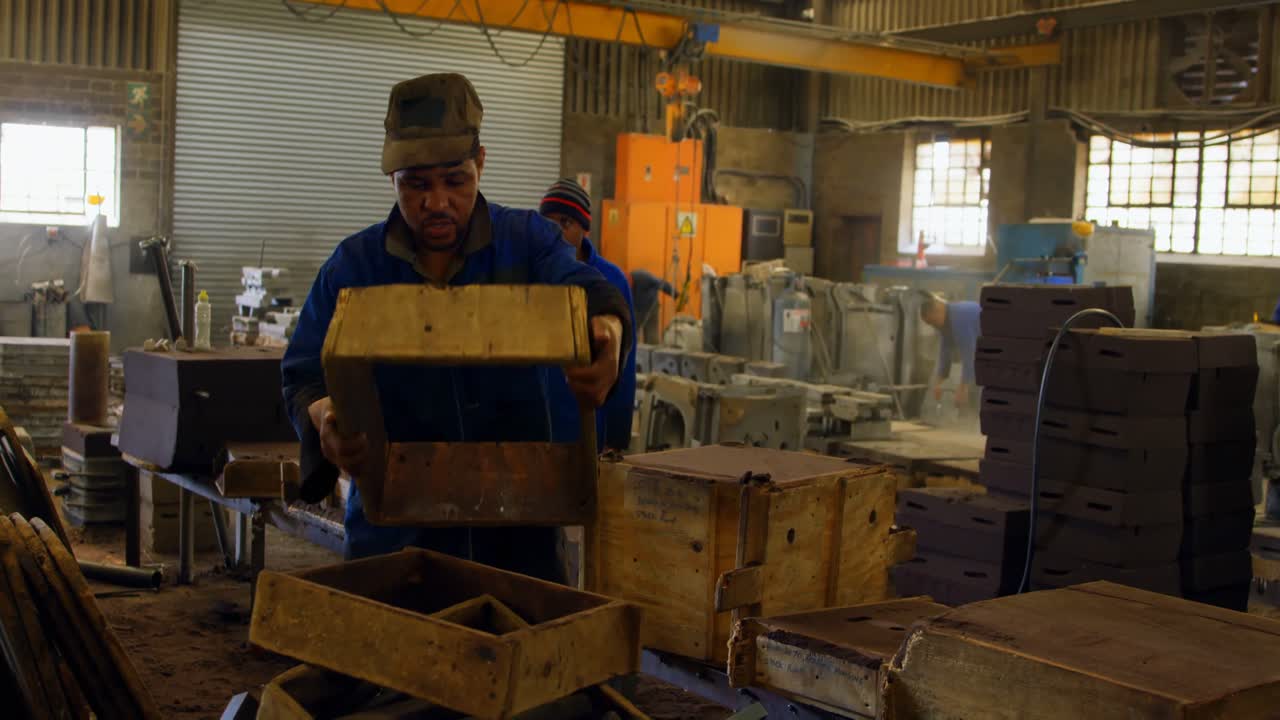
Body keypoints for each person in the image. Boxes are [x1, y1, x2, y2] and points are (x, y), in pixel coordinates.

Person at [281, 73, 632, 580]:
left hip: (519, 541)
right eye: (417, 185)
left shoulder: (526, 243)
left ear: (481, 163)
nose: (437, 203)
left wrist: (609, 334)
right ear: (393, 179)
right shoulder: (355, 266)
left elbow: (589, 288)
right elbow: (303, 371)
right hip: (393, 539)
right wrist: (326, 418)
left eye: (455, 181)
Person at [539, 179, 636, 452]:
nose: (554, 232)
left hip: (587, 420)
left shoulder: (611, 280)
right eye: (547, 222)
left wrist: (617, 438)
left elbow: (625, 366)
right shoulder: (533, 273)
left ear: (585, 229)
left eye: (565, 223)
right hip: (539, 424)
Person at [920, 292, 981, 408]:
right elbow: (945, 353)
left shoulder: (959, 317)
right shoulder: (947, 322)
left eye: (932, 322)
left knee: (979, 388)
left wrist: (963, 387)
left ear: (938, 311)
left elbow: (970, 354)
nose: (933, 326)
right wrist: (938, 382)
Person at [631, 269, 676, 345]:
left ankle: (652, 350)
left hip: (651, 306)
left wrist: (674, 293)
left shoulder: (642, 276)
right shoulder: (626, 284)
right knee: (634, 331)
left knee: (651, 332)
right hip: (639, 308)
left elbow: (660, 283)